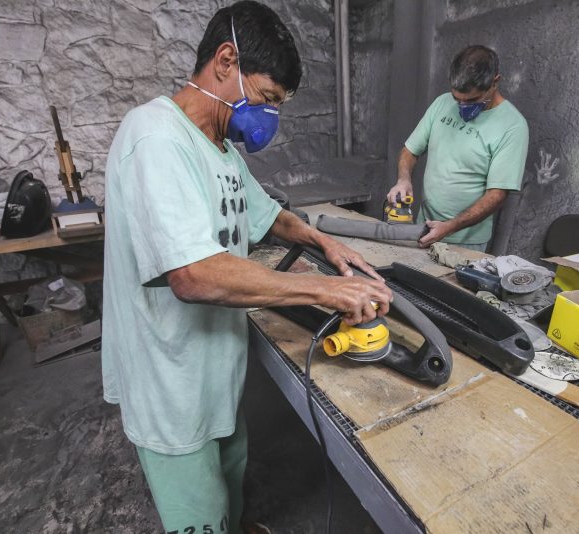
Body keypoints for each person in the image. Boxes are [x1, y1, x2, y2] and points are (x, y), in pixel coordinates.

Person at [101, 2, 393, 533]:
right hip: (170, 379)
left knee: (229, 476)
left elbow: (267, 215)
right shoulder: (156, 139)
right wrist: (323, 291)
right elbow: (192, 275)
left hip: (215, 365)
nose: (269, 118)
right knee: (196, 507)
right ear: (226, 60)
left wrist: (324, 242)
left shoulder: (221, 150)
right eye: (266, 99)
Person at [387, 45, 529, 252]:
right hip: (423, 228)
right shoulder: (442, 104)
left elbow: (497, 195)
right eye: (457, 99)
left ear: (495, 82)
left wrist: (450, 227)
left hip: (467, 242)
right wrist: (404, 179)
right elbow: (410, 150)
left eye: (472, 100)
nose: (462, 106)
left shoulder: (513, 126)